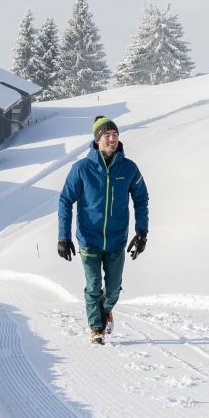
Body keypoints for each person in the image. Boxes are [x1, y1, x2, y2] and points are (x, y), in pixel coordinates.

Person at [58, 115, 150, 344]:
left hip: (117, 239)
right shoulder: (81, 168)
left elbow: (141, 198)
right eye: (107, 135)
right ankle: (96, 328)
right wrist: (63, 236)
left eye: (115, 135)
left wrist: (142, 231)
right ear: (97, 140)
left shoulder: (129, 168)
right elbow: (65, 200)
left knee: (112, 290)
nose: (112, 139)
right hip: (89, 239)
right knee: (93, 286)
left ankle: (106, 309)